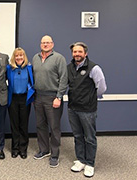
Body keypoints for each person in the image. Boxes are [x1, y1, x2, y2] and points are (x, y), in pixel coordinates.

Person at [67, 42, 107, 178]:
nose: (77, 54)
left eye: (79, 51)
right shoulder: (69, 67)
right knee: (78, 136)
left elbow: (102, 87)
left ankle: (90, 164)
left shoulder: (93, 68)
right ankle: (81, 160)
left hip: (87, 110)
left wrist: (90, 98)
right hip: (72, 108)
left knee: (89, 137)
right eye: (74, 52)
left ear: (85, 53)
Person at [32, 35, 68, 167]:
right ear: (40, 44)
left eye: (48, 42)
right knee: (40, 125)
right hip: (38, 97)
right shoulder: (35, 58)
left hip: (53, 97)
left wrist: (59, 97)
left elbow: (64, 79)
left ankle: (54, 154)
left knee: (54, 127)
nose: (45, 44)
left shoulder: (59, 58)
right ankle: (44, 150)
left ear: (52, 44)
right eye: (43, 42)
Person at [6, 47, 35, 159]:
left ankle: (23, 149)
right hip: (12, 98)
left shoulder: (29, 68)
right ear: (14, 57)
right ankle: (15, 148)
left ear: (24, 57)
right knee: (14, 125)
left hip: (25, 98)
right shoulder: (9, 68)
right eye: (17, 55)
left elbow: (32, 82)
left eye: (21, 55)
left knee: (24, 124)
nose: (19, 57)